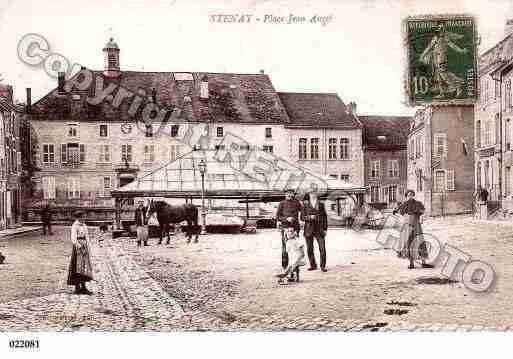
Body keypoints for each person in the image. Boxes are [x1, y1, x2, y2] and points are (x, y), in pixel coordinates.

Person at [393, 190, 431, 269]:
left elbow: (423, 211)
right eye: (408, 195)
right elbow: (397, 210)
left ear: (413, 195)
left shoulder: (418, 203)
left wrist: (421, 217)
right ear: (406, 196)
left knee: (420, 242)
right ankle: (411, 264)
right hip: (407, 226)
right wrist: (396, 210)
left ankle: (424, 262)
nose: (410, 196)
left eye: (412, 195)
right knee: (409, 243)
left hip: (416, 225)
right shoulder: (404, 204)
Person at [276, 188, 302, 279]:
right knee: (285, 251)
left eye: (291, 193)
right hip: (285, 229)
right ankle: (285, 270)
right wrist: (286, 219)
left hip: (295, 229)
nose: (289, 195)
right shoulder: (282, 203)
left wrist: (299, 225)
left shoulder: (297, 203)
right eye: (288, 193)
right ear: (285, 194)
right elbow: (278, 216)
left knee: (295, 251)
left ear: (293, 194)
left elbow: (302, 213)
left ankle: (295, 272)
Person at [301, 188, 328, 272]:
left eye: (314, 193)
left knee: (322, 248)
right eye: (311, 193)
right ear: (309, 194)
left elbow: (325, 218)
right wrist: (309, 217)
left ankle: (323, 266)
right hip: (308, 229)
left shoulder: (321, 204)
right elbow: (302, 217)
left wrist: (325, 229)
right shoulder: (305, 205)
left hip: (319, 229)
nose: (313, 194)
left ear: (317, 194)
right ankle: (313, 265)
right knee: (309, 249)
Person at [67, 211, 93, 295]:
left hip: (84, 246)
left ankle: (84, 286)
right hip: (78, 247)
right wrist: (79, 246)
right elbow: (73, 238)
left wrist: (88, 247)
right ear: (79, 217)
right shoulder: (75, 226)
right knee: (77, 266)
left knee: (84, 266)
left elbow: (87, 237)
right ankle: (77, 287)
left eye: (85, 216)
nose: (84, 218)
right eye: (83, 216)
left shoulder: (84, 225)